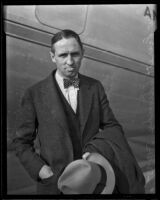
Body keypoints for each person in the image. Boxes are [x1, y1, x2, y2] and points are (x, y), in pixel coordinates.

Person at [12, 29, 145, 194]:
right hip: (54, 185)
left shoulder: (95, 87)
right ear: (52, 56)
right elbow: (21, 142)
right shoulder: (34, 94)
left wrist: (95, 153)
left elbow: (112, 126)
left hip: (92, 181)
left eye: (75, 54)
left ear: (83, 54)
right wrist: (43, 171)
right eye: (62, 55)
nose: (70, 61)